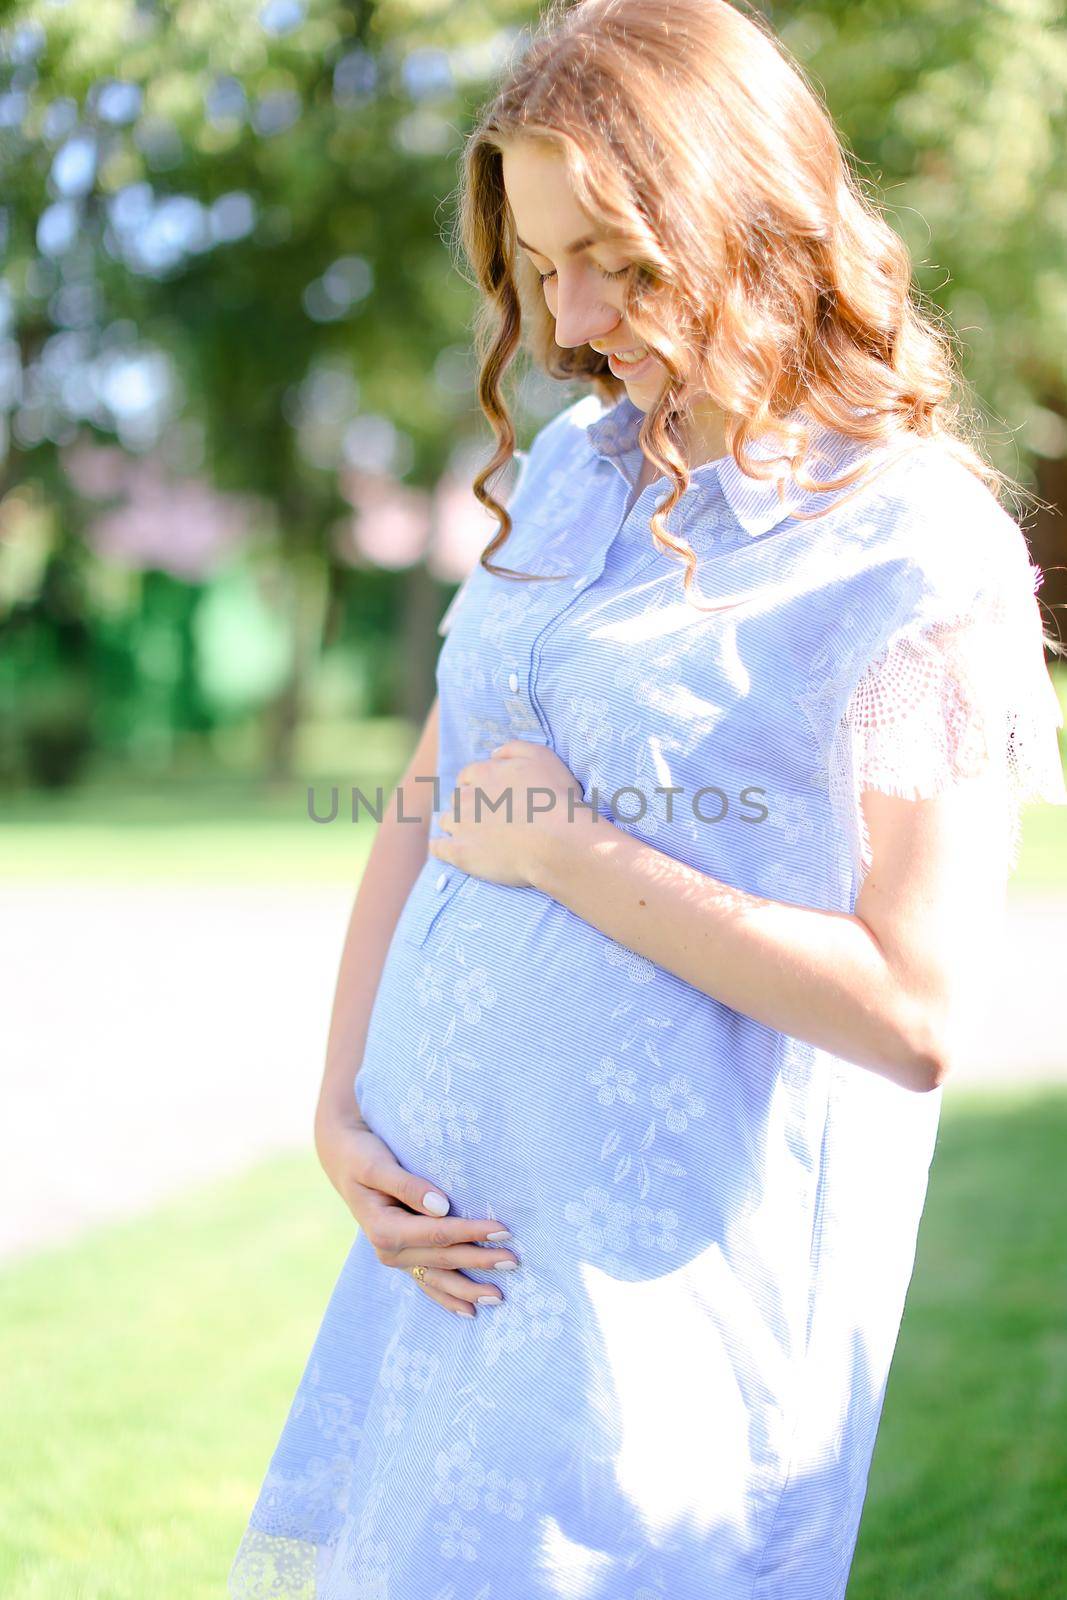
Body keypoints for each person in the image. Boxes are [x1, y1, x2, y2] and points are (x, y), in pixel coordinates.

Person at [228, 1, 1067, 1595]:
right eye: (541, 266)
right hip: (444, 1276)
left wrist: (567, 852)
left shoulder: (915, 549)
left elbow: (915, 1013)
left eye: (617, 256)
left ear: (745, 215)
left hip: (658, 1335)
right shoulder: (575, 468)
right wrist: (342, 1110)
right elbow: (430, 792)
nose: (573, 316)